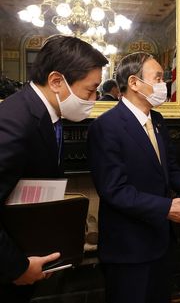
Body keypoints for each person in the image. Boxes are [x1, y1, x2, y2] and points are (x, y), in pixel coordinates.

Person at [87, 52, 180, 303]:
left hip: (160, 240)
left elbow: (170, 169)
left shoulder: (158, 120)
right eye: (159, 78)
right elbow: (114, 190)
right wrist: (165, 208)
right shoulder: (106, 127)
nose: (164, 85)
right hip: (128, 246)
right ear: (134, 83)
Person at [0, 35, 108, 302]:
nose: (94, 98)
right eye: (90, 90)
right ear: (57, 81)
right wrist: (17, 267)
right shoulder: (15, 123)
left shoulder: (42, 113)